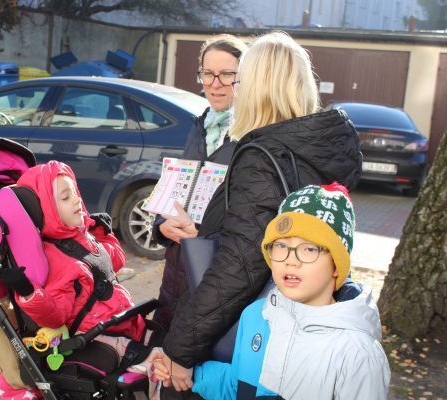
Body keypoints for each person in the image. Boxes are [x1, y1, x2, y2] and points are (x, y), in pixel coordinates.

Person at [156, 31, 363, 393]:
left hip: (242, 336)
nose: (234, 90)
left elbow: (241, 264)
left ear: (256, 88)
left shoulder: (263, 157)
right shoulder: (314, 150)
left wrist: (180, 349)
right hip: (293, 329)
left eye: (238, 80)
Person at [156, 183, 391, 399]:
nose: (291, 260)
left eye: (309, 249)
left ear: (337, 266)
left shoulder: (358, 354)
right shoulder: (257, 315)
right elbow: (239, 386)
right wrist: (191, 374)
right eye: (281, 246)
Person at [0, 160, 160, 400]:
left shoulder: (83, 236)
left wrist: (103, 233)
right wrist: (29, 294)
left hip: (122, 321)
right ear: (47, 210)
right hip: (96, 334)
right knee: (158, 364)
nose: (76, 200)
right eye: (65, 197)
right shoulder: (57, 260)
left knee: (169, 344)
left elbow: (114, 260)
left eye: (75, 193)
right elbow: (55, 315)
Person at [152, 34, 247, 331]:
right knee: (165, 341)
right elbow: (179, 188)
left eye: (227, 74)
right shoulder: (200, 125)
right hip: (178, 264)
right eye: (207, 73)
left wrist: (204, 235)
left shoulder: (252, 135)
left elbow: (249, 218)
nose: (215, 84)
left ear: (245, 78)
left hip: (216, 271)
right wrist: (161, 226)